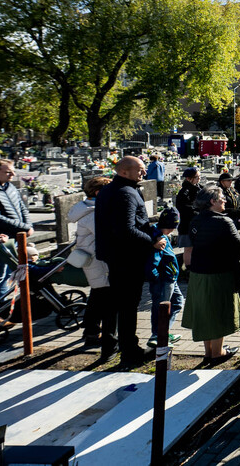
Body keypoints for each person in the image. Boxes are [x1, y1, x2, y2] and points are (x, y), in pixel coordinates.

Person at [95, 156, 167, 366]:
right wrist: (151, 242)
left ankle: (115, 346)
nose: (144, 173)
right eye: (140, 170)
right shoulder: (125, 193)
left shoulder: (111, 189)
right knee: (127, 305)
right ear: (124, 172)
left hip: (115, 256)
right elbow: (125, 229)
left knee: (117, 303)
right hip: (126, 257)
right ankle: (130, 351)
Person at [181, 186, 240, 363]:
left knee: (206, 314)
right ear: (212, 201)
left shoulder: (196, 220)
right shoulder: (223, 221)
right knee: (219, 313)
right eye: (221, 198)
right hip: (219, 274)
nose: (225, 200)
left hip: (198, 273)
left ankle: (208, 352)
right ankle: (218, 353)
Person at [68, 175, 112, 347]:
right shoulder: (92, 213)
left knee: (98, 294)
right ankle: (92, 333)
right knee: (101, 295)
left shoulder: (89, 208)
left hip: (94, 257)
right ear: (98, 192)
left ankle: (91, 330)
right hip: (97, 259)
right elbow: (105, 235)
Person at [0, 159, 33, 310]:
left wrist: (28, 226)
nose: (12, 174)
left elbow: (22, 208)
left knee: (9, 276)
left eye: (12, 171)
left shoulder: (9, 186)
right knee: (0, 274)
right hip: (3, 239)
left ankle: (3, 308)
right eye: (7, 172)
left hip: (16, 237)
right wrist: (24, 227)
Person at [146, 207, 183, 347]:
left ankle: (164, 332)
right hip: (164, 279)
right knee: (161, 306)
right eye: (172, 227)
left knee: (177, 302)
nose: (173, 231)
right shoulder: (160, 240)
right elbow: (153, 262)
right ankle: (157, 335)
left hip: (171, 278)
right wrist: (155, 277)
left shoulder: (159, 234)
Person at [174, 167, 200, 253]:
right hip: (187, 224)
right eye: (197, 177)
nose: (199, 179)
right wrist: (198, 212)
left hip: (197, 222)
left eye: (199, 176)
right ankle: (189, 266)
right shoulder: (184, 192)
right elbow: (185, 208)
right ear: (189, 178)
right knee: (188, 248)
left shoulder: (198, 188)